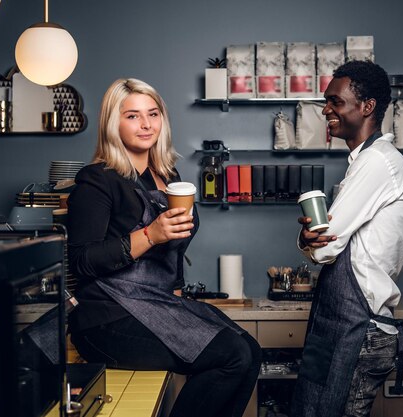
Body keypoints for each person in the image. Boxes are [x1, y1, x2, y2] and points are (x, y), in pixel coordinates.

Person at [67, 78, 261, 417]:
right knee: (233, 355)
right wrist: (151, 235)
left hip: (155, 304)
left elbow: (171, 255)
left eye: (153, 114)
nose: (146, 124)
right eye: (132, 116)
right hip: (106, 317)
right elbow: (82, 260)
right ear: (112, 123)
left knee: (249, 350)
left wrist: (175, 292)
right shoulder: (97, 179)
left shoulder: (168, 176)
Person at [290, 61, 403, 417]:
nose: (326, 110)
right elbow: (322, 242)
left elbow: (326, 247)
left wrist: (309, 241)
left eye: (336, 102)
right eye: (325, 102)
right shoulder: (364, 162)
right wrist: (308, 239)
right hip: (338, 326)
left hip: (357, 331)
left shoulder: (377, 162)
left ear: (367, 107)